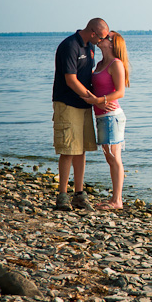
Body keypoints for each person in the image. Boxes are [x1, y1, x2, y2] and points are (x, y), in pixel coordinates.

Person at [52, 18, 108, 211]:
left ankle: (79, 194)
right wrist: (91, 97)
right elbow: (70, 80)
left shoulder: (89, 47)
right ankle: (62, 196)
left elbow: (88, 75)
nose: (102, 42)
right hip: (67, 103)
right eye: (101, 38)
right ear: (93, 33)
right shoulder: (70, 45)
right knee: (68, 149)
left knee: (81, 149)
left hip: (84, 105)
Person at [91, 31, 131, 210]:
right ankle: (115, 198)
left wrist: (100, 101)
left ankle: (117, 201)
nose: (102, 38)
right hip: (101, 116)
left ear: (112, 44)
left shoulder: (116, 64)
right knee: (109, 158)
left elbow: (120, 92)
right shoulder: (100, 63)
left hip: (112, 116)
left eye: (107, 37)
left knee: (115, 158)